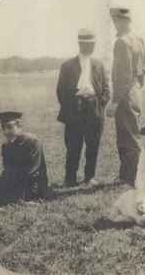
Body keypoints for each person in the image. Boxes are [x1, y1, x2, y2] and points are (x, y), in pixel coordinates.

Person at [56, 29, 110, 187]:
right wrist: (71, 107)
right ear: (80, 44)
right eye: (87, 44)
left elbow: (106, 88)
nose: (91, 47)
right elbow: (60, 90)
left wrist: (101, 103)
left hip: (95, 109)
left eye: (93, 44)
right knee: (73, 145)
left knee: (93, 145)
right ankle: (70, 178)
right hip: (75, 109)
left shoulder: (99, 64)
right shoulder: (67, 66)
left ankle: (89, 177)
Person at [106, 7, 145, 185]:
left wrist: (114, 101)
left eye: (115, 21)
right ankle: (128, 174)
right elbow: (142, 71)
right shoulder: (139, 40)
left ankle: (132, 176)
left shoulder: (121, 42)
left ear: (119, 21)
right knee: (134, 133)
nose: (114, 24)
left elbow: (122, 75)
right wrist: (137, 87)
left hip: (125, 93)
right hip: (135, 91)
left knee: (127, 136)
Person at [0, 112, 48, 208]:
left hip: (32, 184)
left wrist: (8, 186)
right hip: (14, 181)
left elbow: (31, 171)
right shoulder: (6, 146)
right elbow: (7, 171)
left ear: (19, 126)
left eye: (10, 127)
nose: (6, 132)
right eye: (3, 128)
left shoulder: (32, 142)